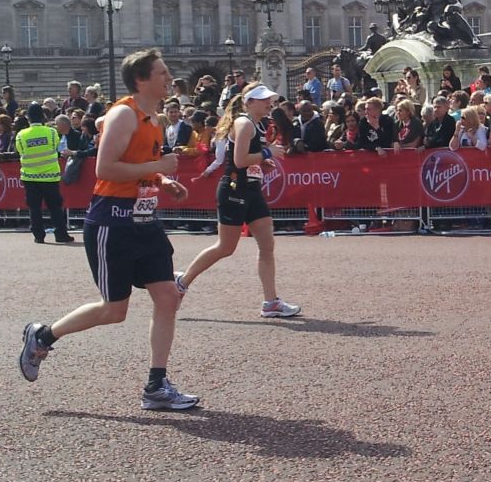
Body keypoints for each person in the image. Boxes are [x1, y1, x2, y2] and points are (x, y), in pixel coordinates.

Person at [16, 48, 200, 411]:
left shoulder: (154, 118)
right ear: (142, 79)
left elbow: (138, 166)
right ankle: (44, 335)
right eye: (162, 73)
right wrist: (159, 164)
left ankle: (156, 384)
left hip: (145, 221)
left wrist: (161, 180)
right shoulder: (122, 115)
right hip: (112, 223)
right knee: (115, 310)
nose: (169, 78)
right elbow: (105, 169)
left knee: (168, 296)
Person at [176, 85, 300, 317]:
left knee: (267, 245)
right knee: (225, 247)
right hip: (235, 189)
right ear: (249, 102)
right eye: (264, 100)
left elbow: (247, 157)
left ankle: (270, 302)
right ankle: (182, 281)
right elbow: (240, 160)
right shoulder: (244, 123)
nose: (269, 103)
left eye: (269, 100)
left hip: (252, 189)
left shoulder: (257, 124)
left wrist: (262, 160)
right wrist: (267, 154)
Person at [15, 103, 72, 245]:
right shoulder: (52, 132)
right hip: (50, 176)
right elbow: (55, 147)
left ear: (28, 118)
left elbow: (21, 151)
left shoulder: (21, 135)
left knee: (34, 207)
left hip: (30, 176)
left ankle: (39, 236)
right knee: (55, 207)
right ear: (43, 116)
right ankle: (61, 234)